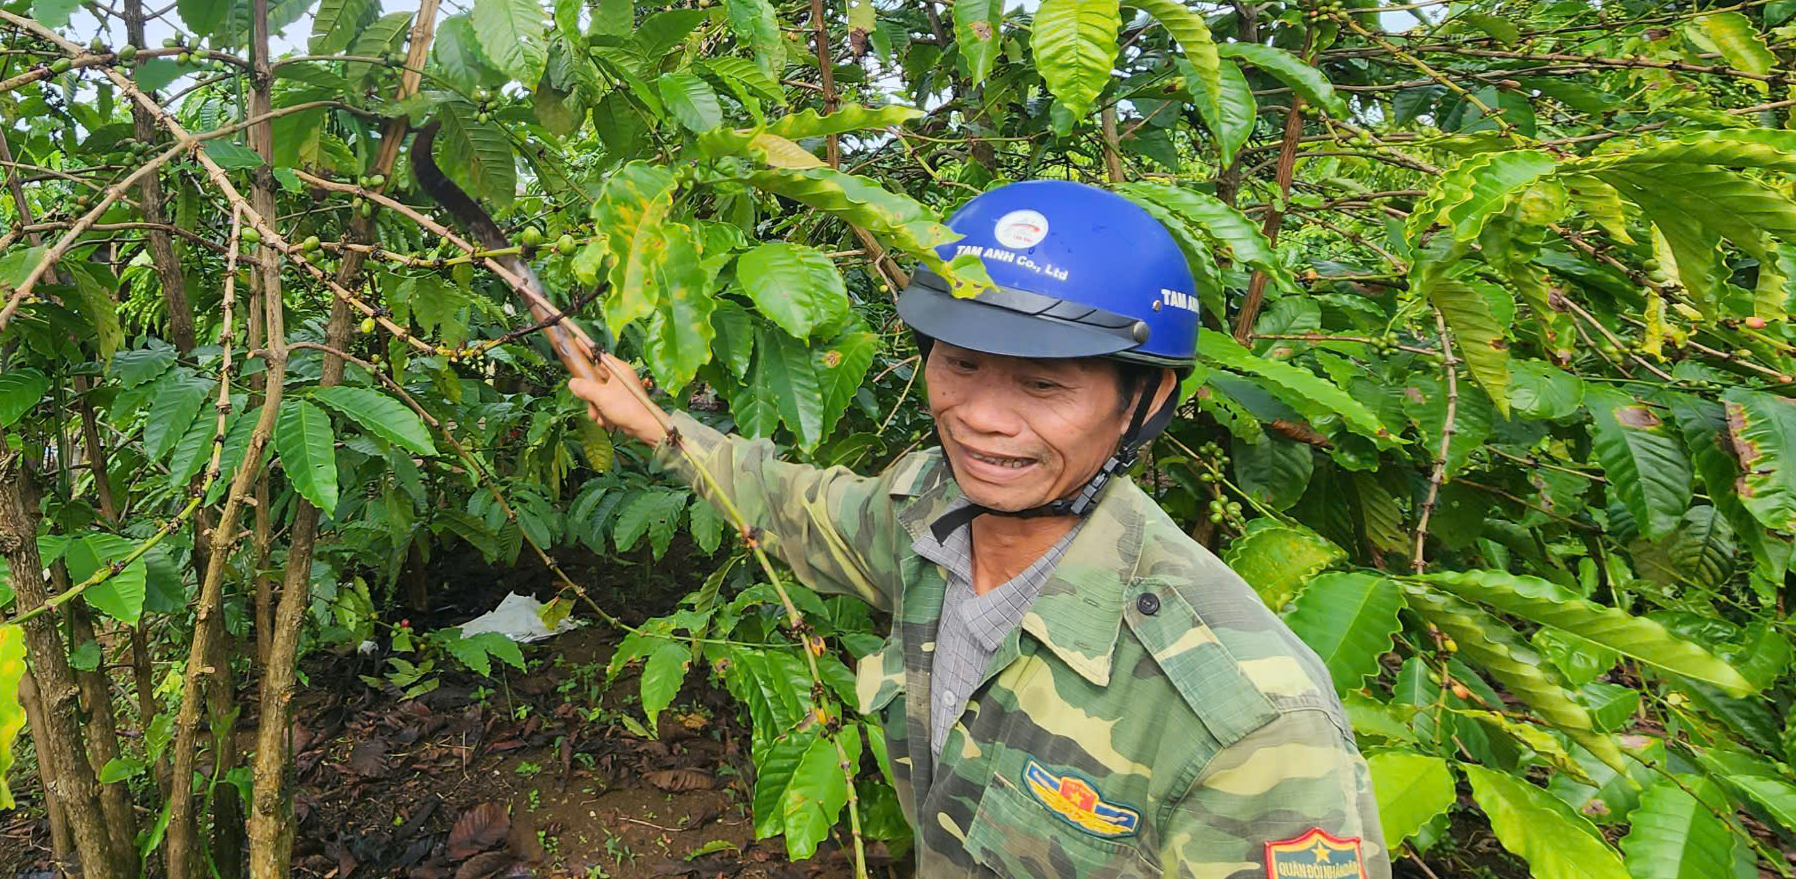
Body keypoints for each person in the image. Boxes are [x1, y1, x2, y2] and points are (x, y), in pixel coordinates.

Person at [563, 180, 1388, 879]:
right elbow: (795, 506)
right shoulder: (928, 513)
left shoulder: (1252, 722)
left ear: (1148, 401)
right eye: (960, 363)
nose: (981, 419)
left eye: (1042, 383)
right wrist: (657, 426)